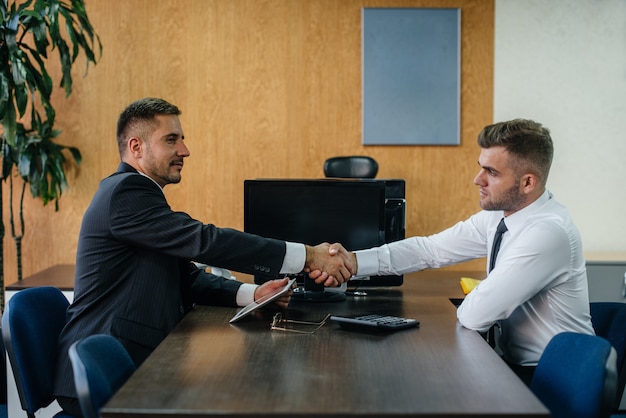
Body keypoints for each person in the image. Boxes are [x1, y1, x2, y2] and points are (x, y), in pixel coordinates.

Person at [53, 97, 354, 416]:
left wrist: (253, 293)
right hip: (106, 371)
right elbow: (206, 241)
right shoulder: (125, 194)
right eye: (172, 139)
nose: (184, 150)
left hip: (130, 357)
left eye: (182, 139)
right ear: (136, 147)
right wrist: (307, 255)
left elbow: (185, 274)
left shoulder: (137, 196)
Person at [329, 118, 594, 385]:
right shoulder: (500, 216)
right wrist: (352, 261)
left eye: (492, 172)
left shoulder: (547, 233)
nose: (477, 180)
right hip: (519, 366)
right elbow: (430, 249)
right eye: (481, 168)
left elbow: (474, 315)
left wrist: (491, 290)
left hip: (556, 379)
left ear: (528, 183)